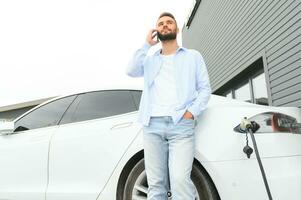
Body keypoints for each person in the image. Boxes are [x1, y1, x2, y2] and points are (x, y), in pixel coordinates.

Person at [126, 12, 211, 200]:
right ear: (157, 30)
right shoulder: (149, 60)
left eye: (169, 22)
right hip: (152, 126)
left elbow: (205, 89)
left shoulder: (193, 57)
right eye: (161, 23)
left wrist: (191, 113)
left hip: (181, 125)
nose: (165, 25)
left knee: (180, 180)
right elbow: (130, 70)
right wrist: (146, 44)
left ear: (177, 28)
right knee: (156, 185)